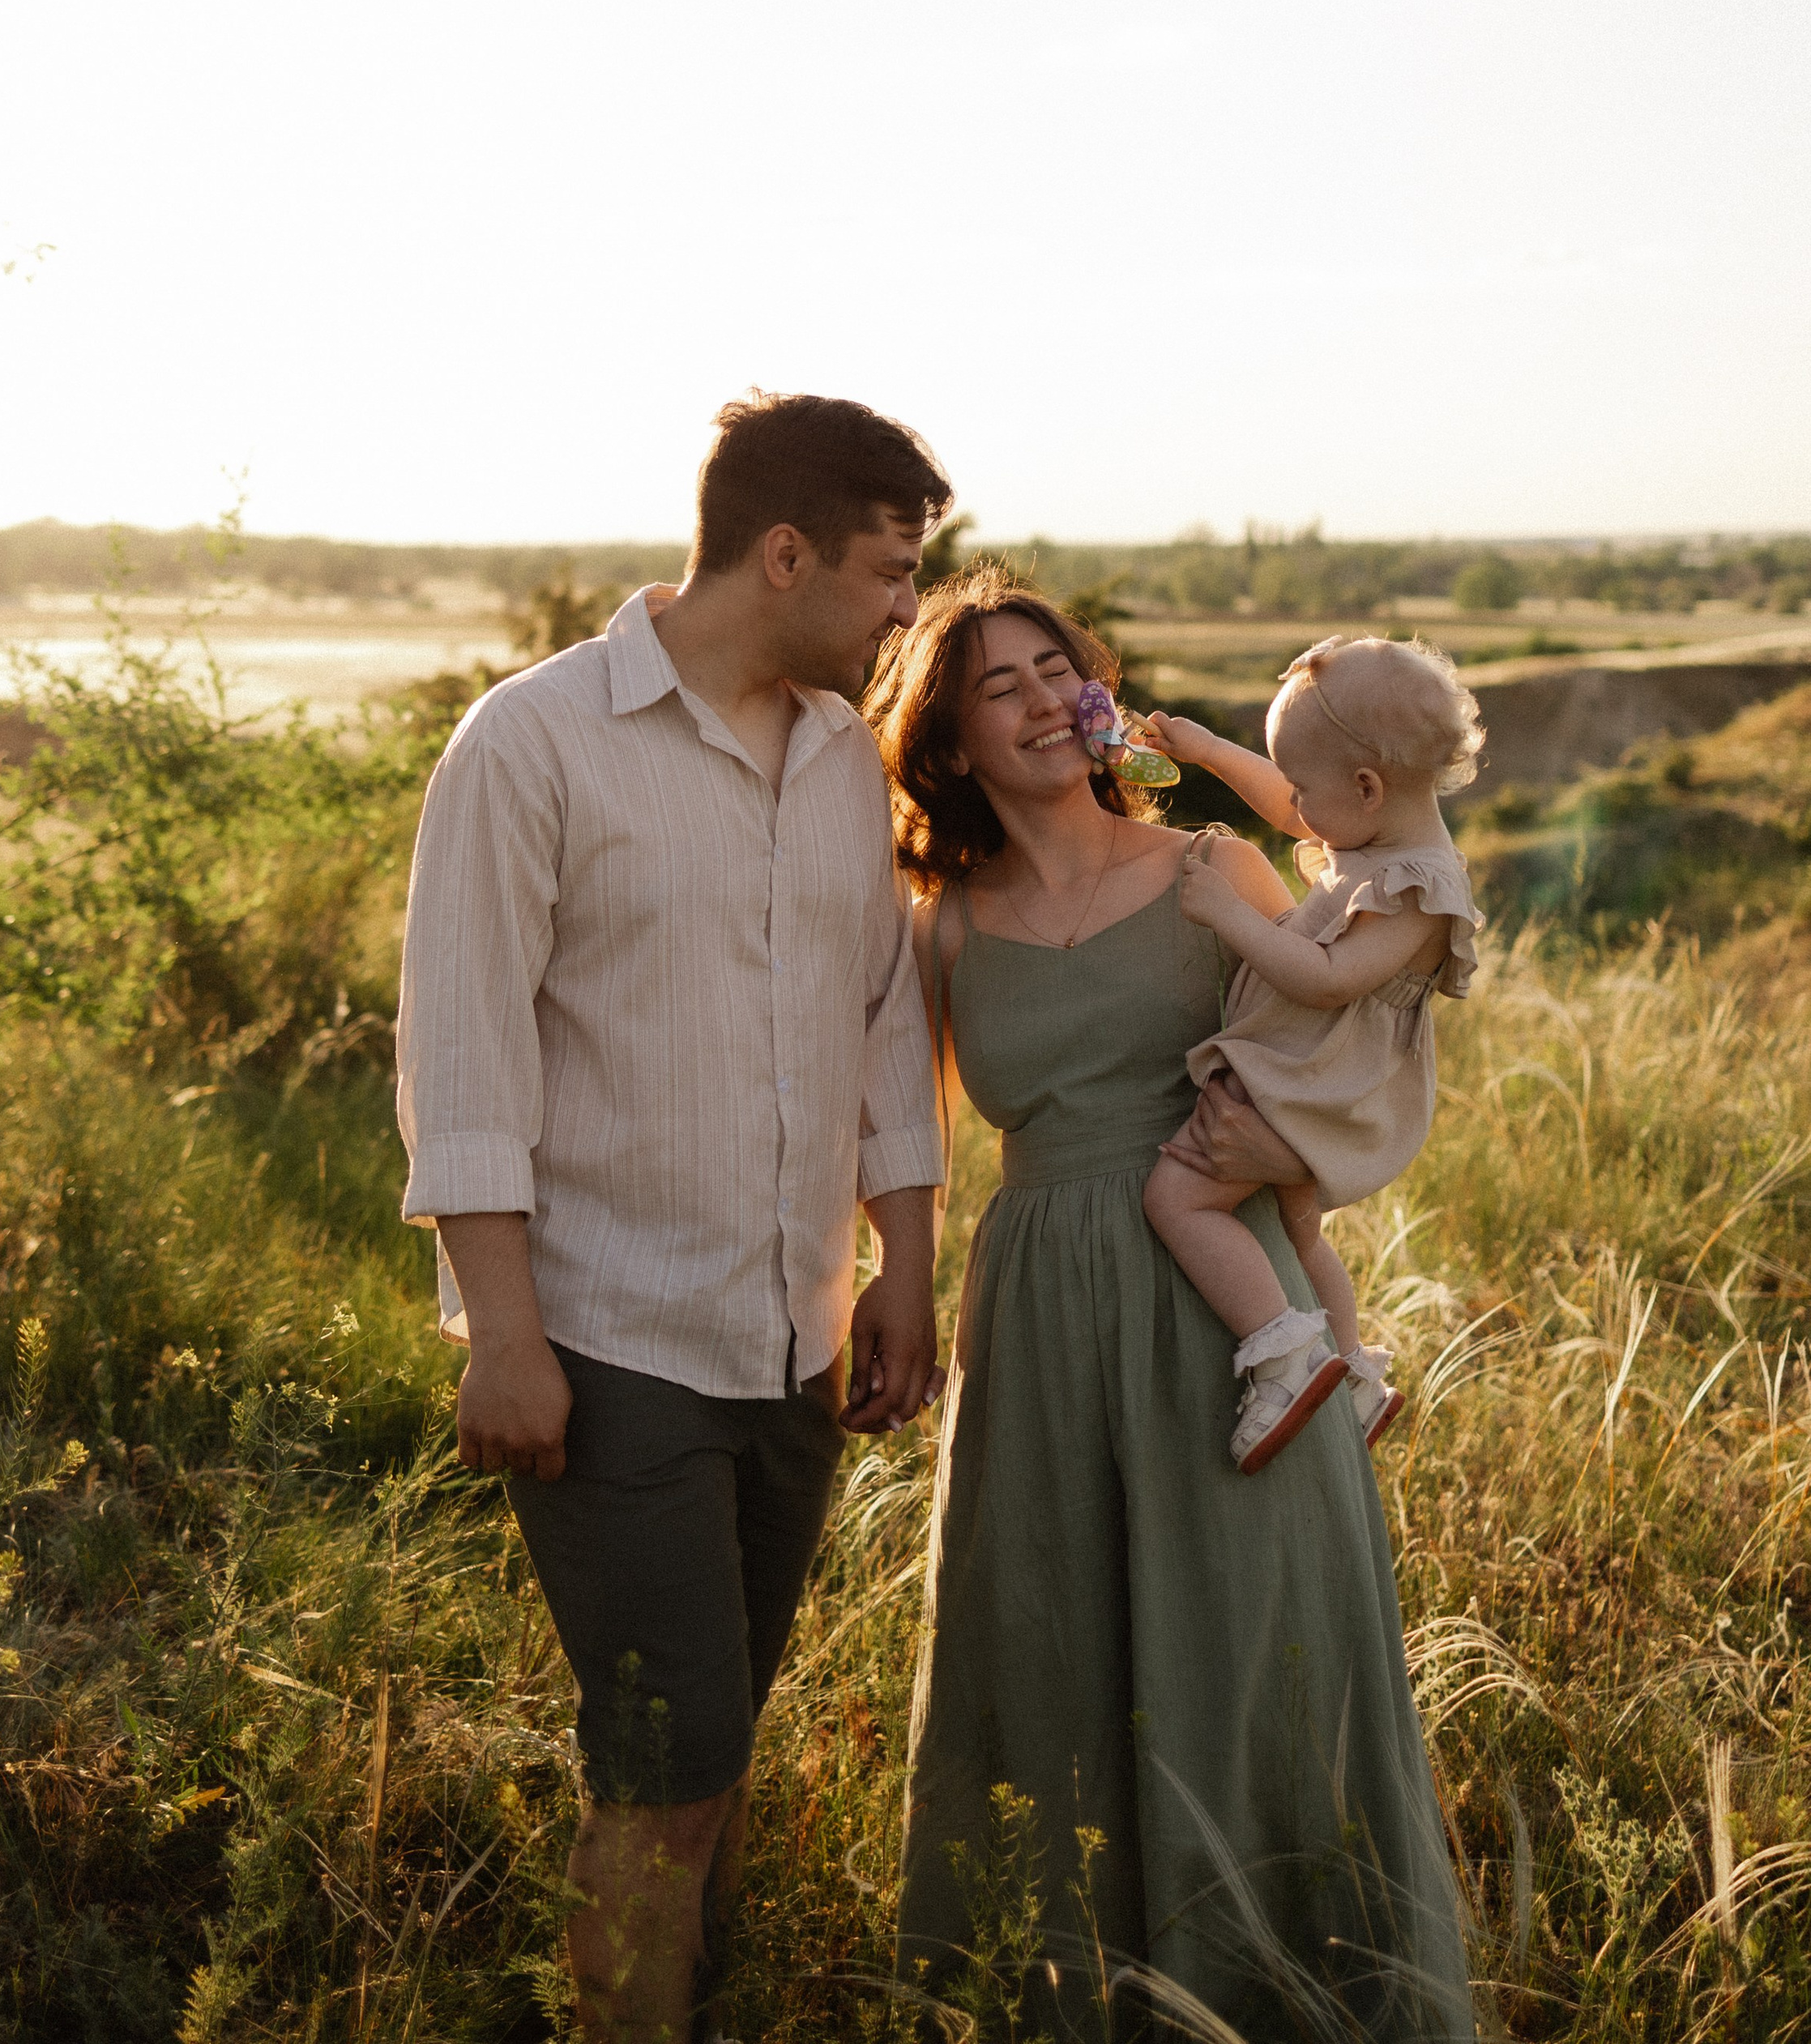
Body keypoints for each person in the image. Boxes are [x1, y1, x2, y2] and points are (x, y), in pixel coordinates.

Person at [395, 393, 954, 2043]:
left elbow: (874, 1019)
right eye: (885, 573)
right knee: (668, 1765)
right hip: (603, 1337)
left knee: (711, 1752)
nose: (904, 612)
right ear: (780, 554)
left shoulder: (845, 757)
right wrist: (502, 1334)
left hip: (790, 1333)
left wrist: (902, 1260)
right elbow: (464, 1049)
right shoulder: (533, 739)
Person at [869, 569, 1473, 2042]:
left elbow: (1324, 1044)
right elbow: (907, 1137)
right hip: (1040, 1320)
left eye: (1050, 668)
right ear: (946, 734)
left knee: (1261, 1641)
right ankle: (1069, 1997)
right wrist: (901, 1281)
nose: (1033, 697)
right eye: (992, 682)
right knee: (1050, 1645)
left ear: (1093, 696)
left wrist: (1317, 1279)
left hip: (1229, 1324)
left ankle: (1293, 1994)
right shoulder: (942, 925)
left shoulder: (1212, 865)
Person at [1141, 639, 1486, 1472]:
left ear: (1365, 787)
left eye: (1302, 786)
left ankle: (1281, 1356)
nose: (1292, 807)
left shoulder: (1415, 887)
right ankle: (1354, 1368)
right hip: (1305, 1072)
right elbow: (1299, 810)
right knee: (1298, 1232)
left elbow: (1331, 980)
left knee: (1178, 1198)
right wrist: (1208, 751)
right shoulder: (1373, 830)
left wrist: (1232, 914)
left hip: (1320, 1081)